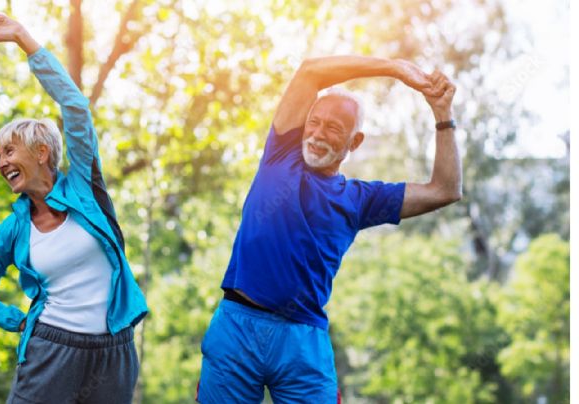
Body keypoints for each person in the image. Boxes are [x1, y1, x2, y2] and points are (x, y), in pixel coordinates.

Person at [197, 55, 461, 403]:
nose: (318, 135)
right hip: (237, 327)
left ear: (355, 142)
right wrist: (395, 69)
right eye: (314, 123)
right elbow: (310, 71)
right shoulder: (280, 153)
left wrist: (443, 115)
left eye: (334, 129)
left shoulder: (360, 199)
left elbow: (445, 189)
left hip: (304, 344)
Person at [0, 10, 147, 404]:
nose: (1, 163)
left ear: (42, 152)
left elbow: (75, 106)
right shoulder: (13, 230)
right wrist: (20, 320)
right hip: (51, 352)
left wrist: (25, 41)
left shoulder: (83, 186)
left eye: (8, 151)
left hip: (114, 351)